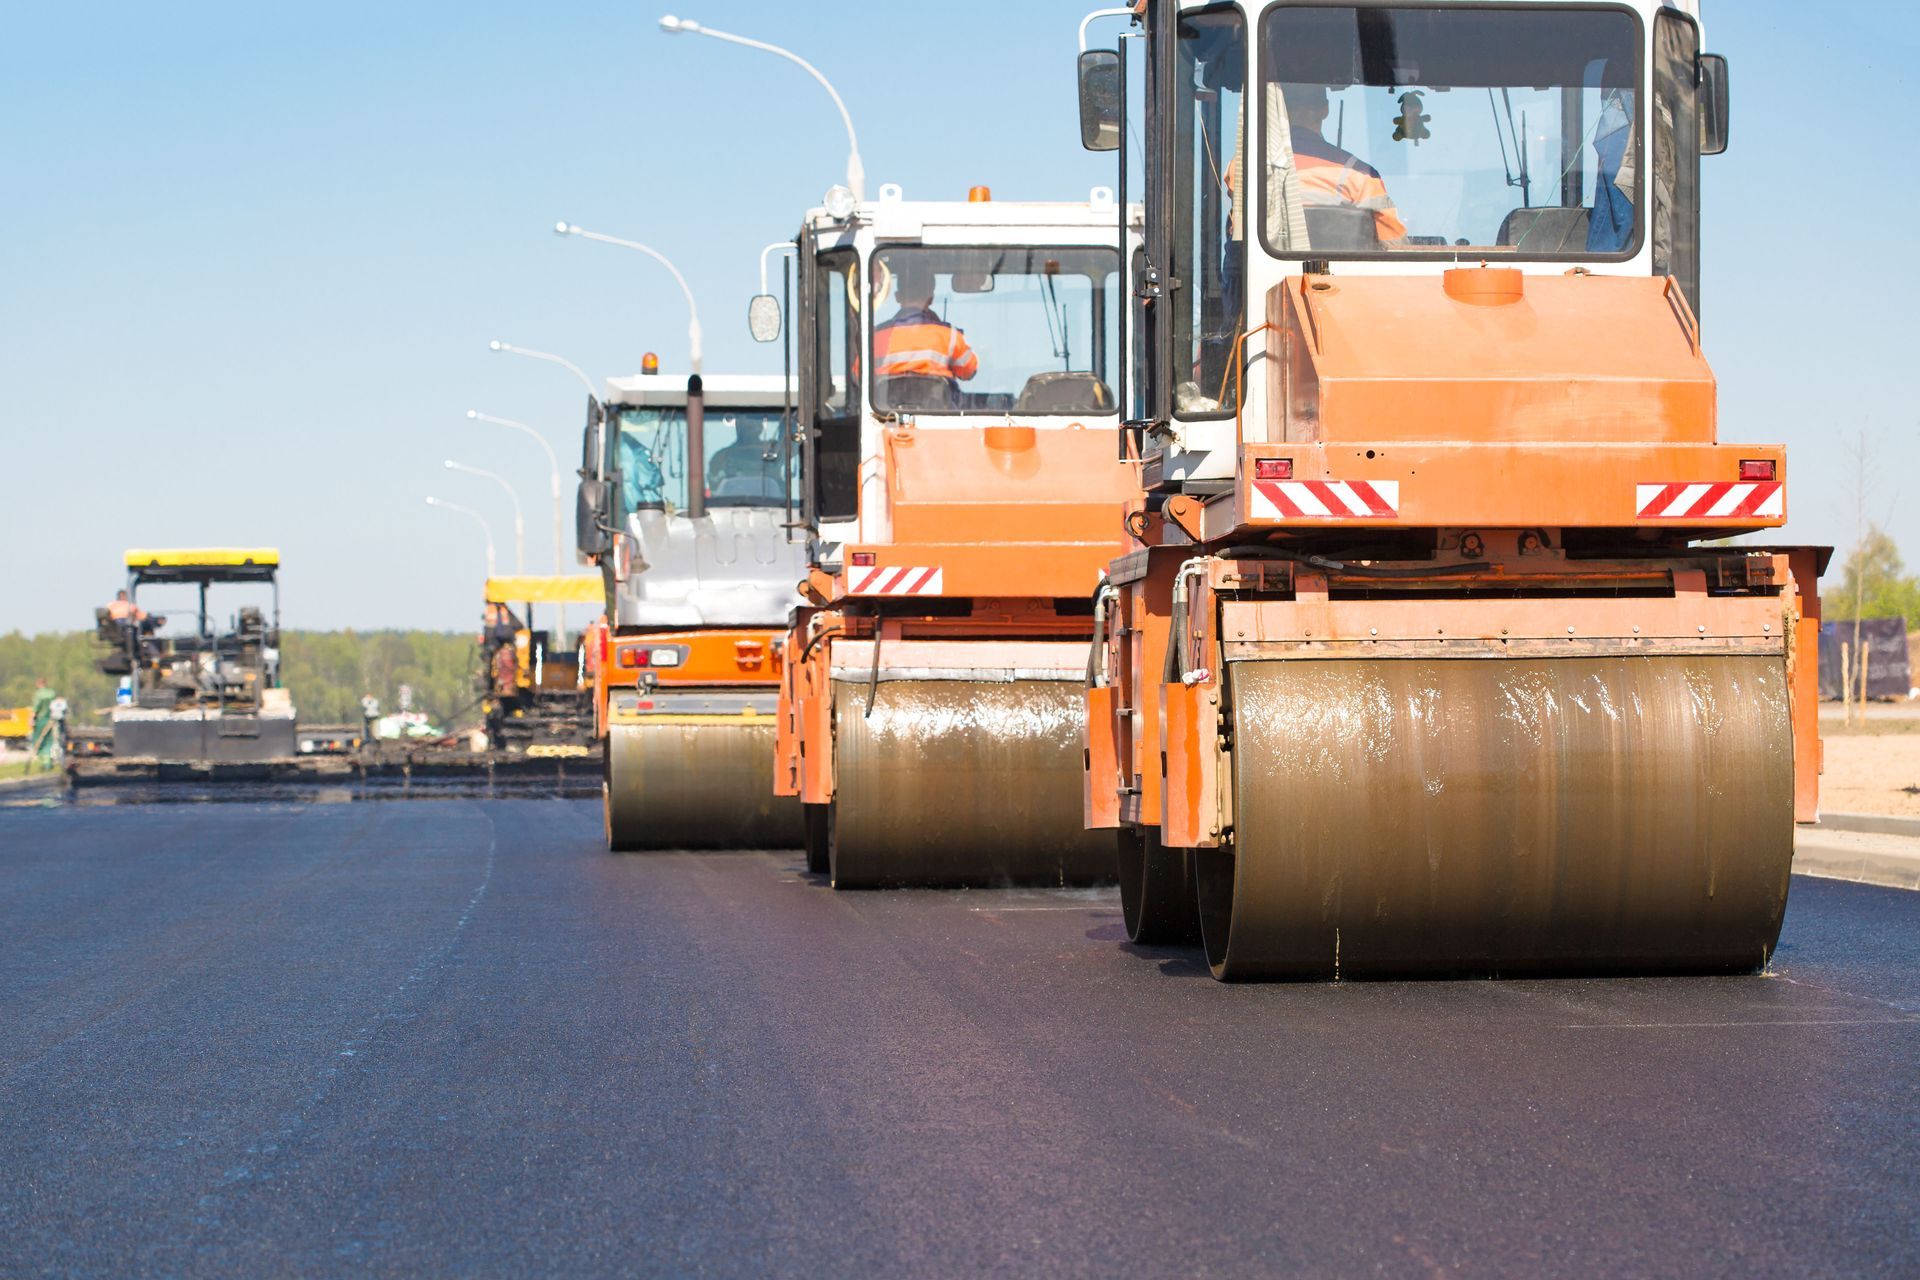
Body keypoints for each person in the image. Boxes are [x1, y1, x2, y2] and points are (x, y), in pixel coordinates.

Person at [1283, 83, 1407, 244]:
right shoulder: (1359, 175)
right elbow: (1394, 246)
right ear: (1325, 110)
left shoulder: (1242, 168)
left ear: (1281, 108)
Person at [872, 262, 979, 403]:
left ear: (897, 296)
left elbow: (857, 375)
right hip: (939, 421)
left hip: (886, 418)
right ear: (931, 297)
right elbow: (969, 370)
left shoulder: (875, 337)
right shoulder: (949, 335)